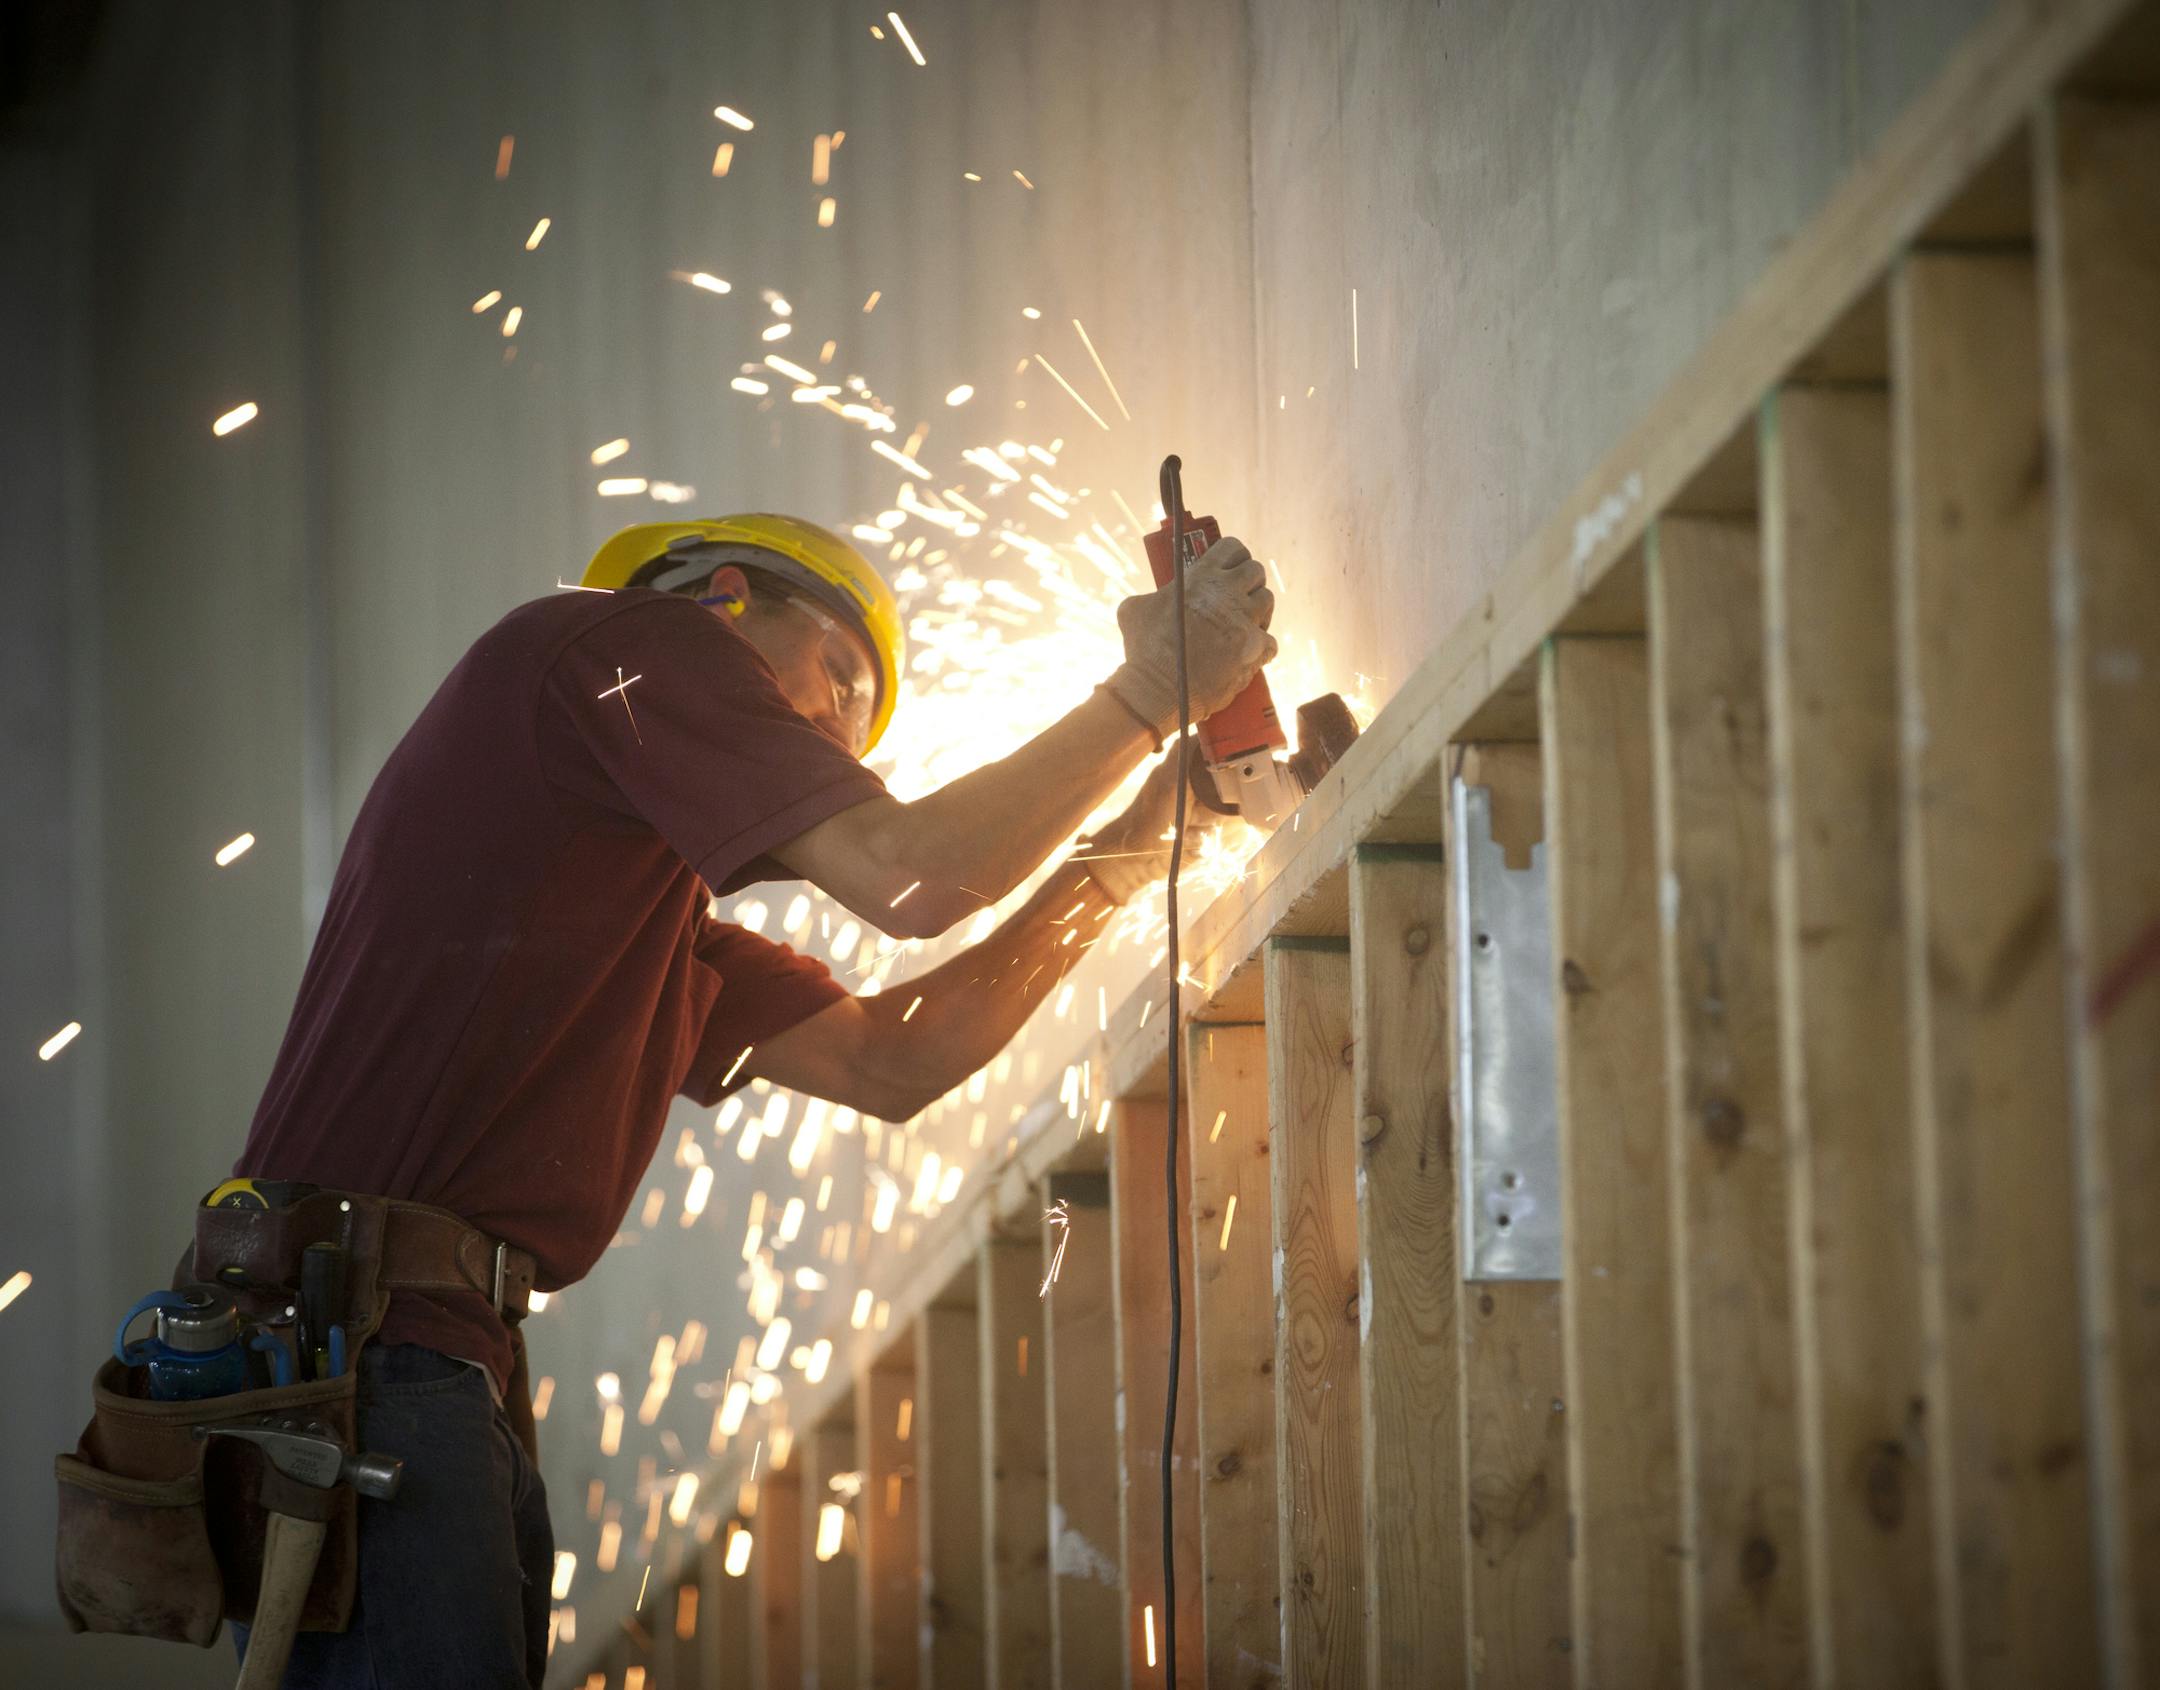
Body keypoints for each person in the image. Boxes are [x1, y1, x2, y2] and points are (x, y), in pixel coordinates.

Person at [227, 513, 1275, 1686]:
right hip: (358, 1350)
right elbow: (909, 874)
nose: (830, 733)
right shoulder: (611, 642)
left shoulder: (639, 920)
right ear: (730, 594)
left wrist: (1133, 850)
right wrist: (1148, 690)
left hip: (429, 1359)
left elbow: (896, 1060)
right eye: (837, 680)